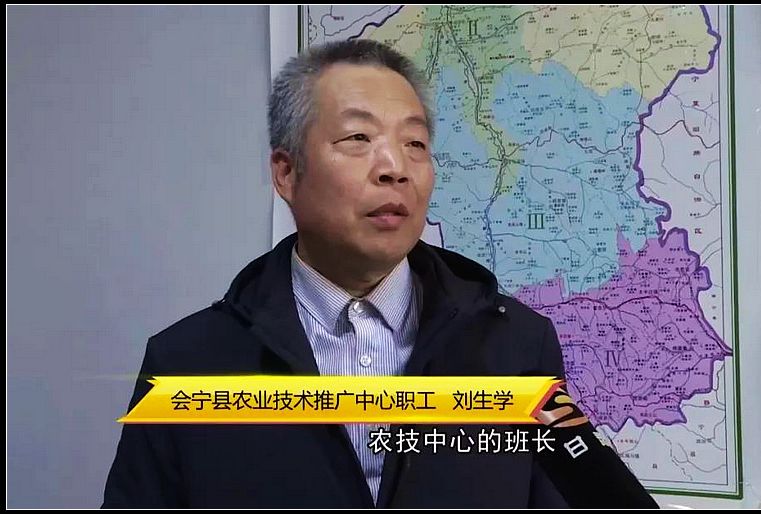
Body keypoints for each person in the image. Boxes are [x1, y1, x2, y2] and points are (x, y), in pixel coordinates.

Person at [103, 39, 656, 508]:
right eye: (358, 139)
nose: (395, 168)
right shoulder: (186, 363)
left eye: (415, 144)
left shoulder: (516, 345)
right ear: (286, 172)